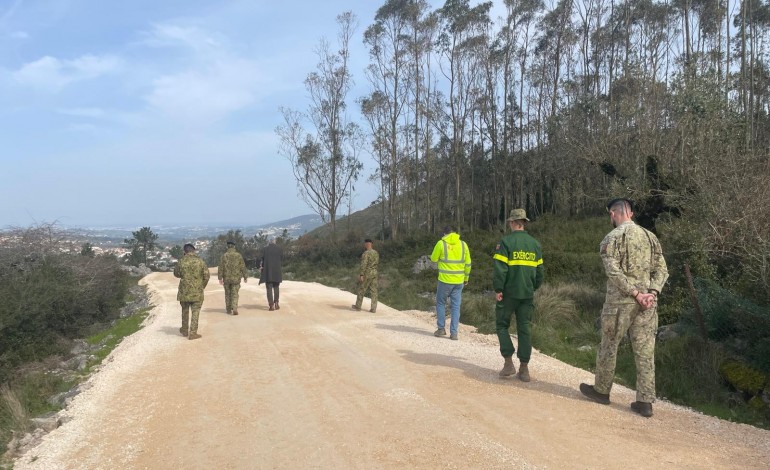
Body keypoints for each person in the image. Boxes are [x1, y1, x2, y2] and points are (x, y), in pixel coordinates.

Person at [579, 198, 668, 418]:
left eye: (610, 214)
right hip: (647, 305)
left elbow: (614, 272)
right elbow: (662, 270)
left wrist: (635, 294)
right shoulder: (651, 237)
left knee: (609, 345)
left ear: (613, 213)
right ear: (632, 214)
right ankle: (645, 402)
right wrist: (652, 293)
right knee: (645, 352)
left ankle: (601, 391)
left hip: (620, 304)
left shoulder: (612, 238)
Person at [494, 208, 544, 382]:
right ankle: (524, 369)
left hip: (508, 293)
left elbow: (500, 269)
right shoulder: (535, 244)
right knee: (524, 328)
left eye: (510, 222)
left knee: (501, 325)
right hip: (527, 294)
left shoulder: (505, 242)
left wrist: (498, 290)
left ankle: (508, 363)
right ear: (524, 223)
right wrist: (532, 287)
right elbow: (540, 273)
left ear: (513, 223)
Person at [431, 225, 472, 341]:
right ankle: (454, 333)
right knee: (455, 306)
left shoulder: (441, 243)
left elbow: (433, 259)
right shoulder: (463, 244)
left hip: (445, 280)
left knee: (440, 303)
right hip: (459, 281)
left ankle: (441, 329)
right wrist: (466, 277)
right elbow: (468, 263)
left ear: (445, 233)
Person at [173, 243, 210, 340]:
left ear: (184, 252)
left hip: (184, 291)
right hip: (197, 291)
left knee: (184, 311)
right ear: (194, 251)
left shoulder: (181, 261)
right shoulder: (200, 261)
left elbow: (176, 274)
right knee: (196, 311)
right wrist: (202, 286)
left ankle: (184, 330)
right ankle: (193, 333)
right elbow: (206, 276)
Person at [218, 240, 248, 315]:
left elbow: (220, 267)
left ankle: (228, 309)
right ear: (234, 246)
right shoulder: (238, 255)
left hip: (227, 279)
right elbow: (243, 267)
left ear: (227, 246)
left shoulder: (224, 256)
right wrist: (245, 276)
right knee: (235, 293)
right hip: (236, 278)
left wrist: (220, 278)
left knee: (227, 294)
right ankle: (234, 308)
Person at [352, 238, 379, 313]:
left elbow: (364, 265)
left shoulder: (366, 253)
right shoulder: (376, 253)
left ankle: (358, 306)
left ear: (367, 244)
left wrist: (361, 274)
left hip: (368, 273)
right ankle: (373, 308)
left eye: (365, 244)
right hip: (375, 272)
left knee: (362, 289)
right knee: (374, 291)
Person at [259, 238, 283, 311]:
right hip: (277, 271)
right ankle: (276, 303)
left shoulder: (265, 249)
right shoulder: (279, 249)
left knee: (269, 288)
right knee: (276, 287)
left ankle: (271, 305)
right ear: (275, 242)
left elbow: (261, 259)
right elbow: (281, 258)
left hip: (268, 271)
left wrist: (261, 267)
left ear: (269, 243)